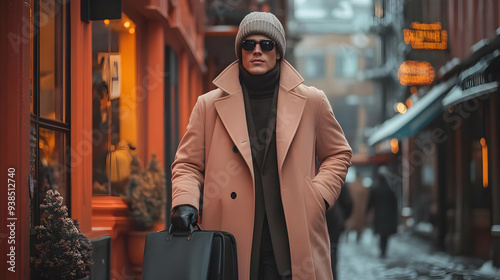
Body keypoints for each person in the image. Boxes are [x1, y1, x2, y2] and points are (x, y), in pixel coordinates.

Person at [170, 11, 352, 280]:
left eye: (266, 44)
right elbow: (188, 164)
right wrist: (185, 202)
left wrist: (317, 197)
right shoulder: (208, 105)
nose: (257, 50)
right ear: (240, 51)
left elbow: (338, 153)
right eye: (248, 44)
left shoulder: (312, 101)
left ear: (278, 52)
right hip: (231, 236)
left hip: (292, 237)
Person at [367, 165, 398, 258]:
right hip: (388, 215)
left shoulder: (376, 188)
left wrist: (367, 211)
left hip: (379, 214)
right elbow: (394, 203)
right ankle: (383, 250)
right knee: (385, 235)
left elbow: (370, 201)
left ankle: (382, 249)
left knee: (381, 234)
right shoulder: (390, 188)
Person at [326, 183, 352, 279]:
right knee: (333, 254)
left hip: (320, 223)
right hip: (335, 224)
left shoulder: (311, 175)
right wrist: (343, 217)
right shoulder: (338, 180)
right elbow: (348, 203)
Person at [345, 176, 369, 243]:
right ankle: (358, 240)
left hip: (351, 210)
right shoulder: (363, 188)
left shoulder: (350, 186)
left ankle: (347, 239)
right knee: (359, 226)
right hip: (360, 211)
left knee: (350, 225)